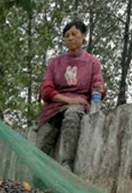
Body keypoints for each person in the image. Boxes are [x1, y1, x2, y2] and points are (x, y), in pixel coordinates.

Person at [37, 19, 106, 170]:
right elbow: (47, 90)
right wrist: (68, 100)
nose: (70, 38)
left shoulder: (92, 62)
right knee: (43, 136)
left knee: (72, 116)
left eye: (74, 34)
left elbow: (98, 83)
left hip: (78, 105)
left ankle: (66, 165)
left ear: (83, 37)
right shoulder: (55, 62)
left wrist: (98, 90)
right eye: (67, 35)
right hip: (55, 106)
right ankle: (38, 179)